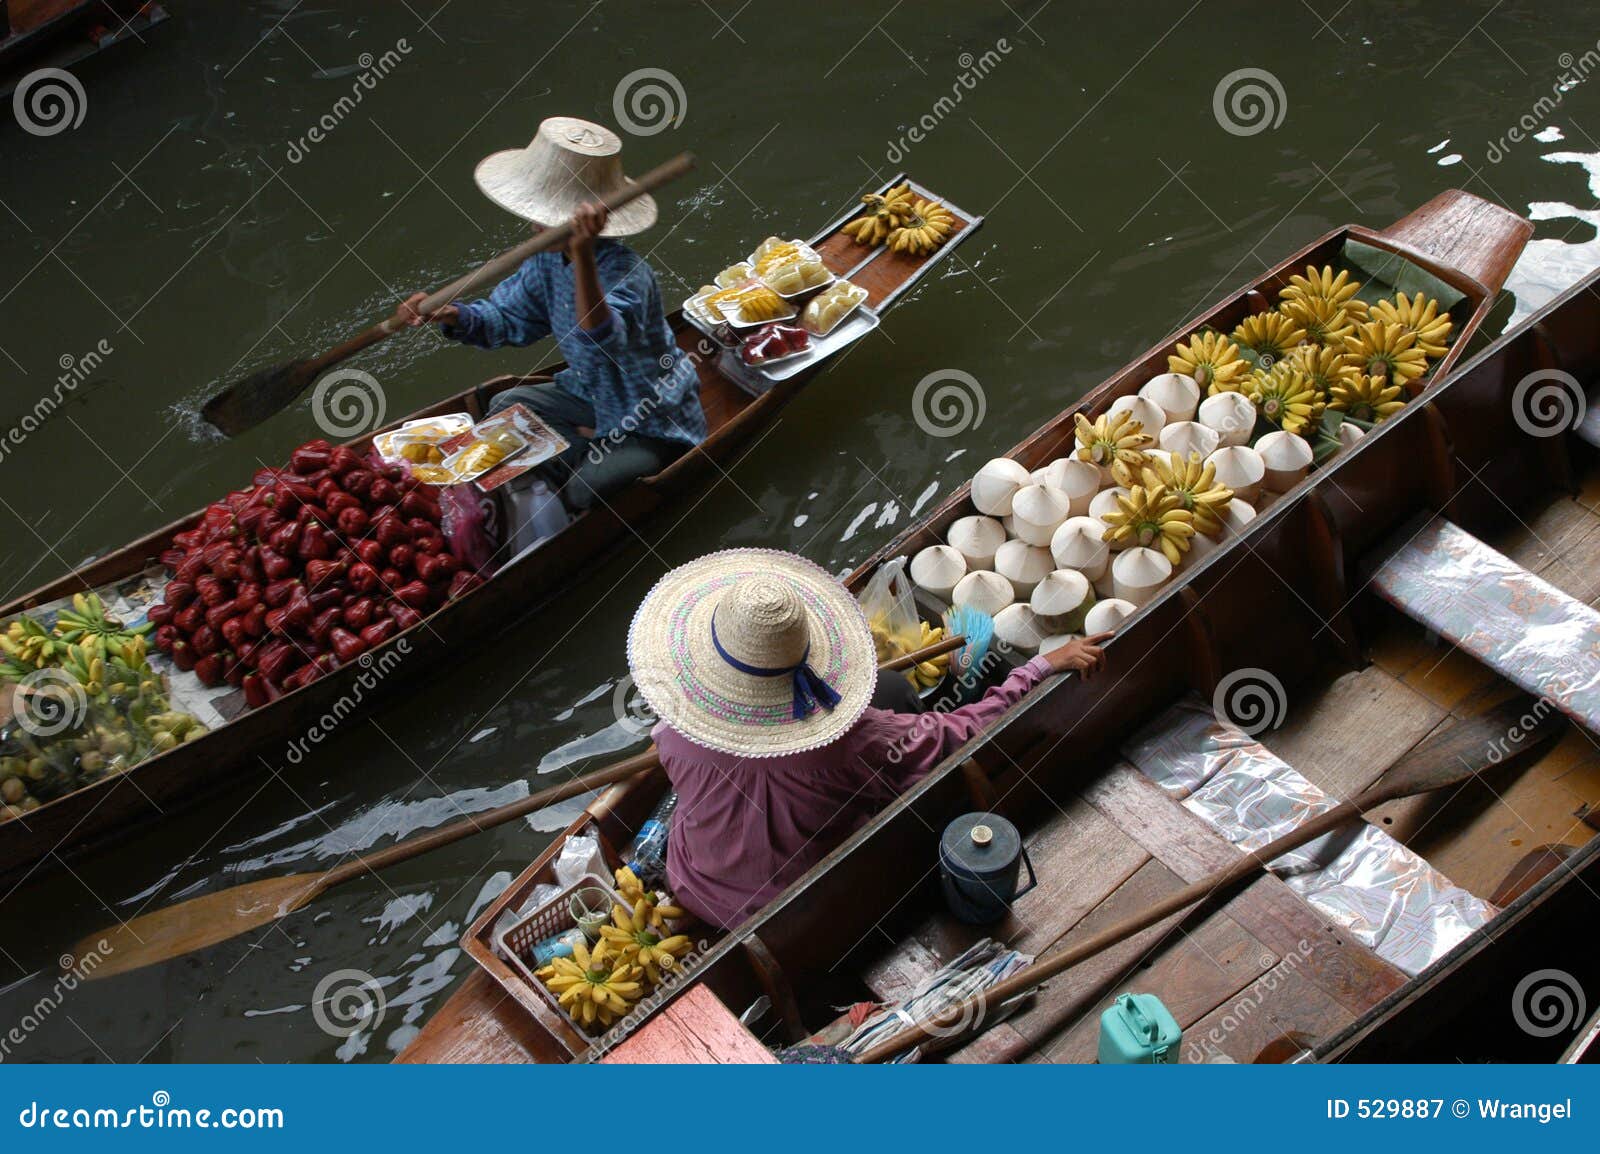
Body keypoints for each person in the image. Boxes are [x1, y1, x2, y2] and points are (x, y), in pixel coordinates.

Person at [626, 548, 1112, 930]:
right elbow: (963, 733)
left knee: (893, 688)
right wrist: (1040, 666)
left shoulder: (674, 732)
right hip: (795, 909)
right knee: (915, 747)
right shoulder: (854, 743)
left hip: (689, 877)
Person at [397, 116, 705, 512]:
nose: (533, 226)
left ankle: (589, 449)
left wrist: (582, 257)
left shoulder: (627, 271)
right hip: (586, 393)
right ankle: (581, 441)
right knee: (504, 404)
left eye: (544, 218)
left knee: (583, 492)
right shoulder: (545, 265)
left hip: (647, 416)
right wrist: (453, 314)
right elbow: (505, 318)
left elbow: (600, 337)